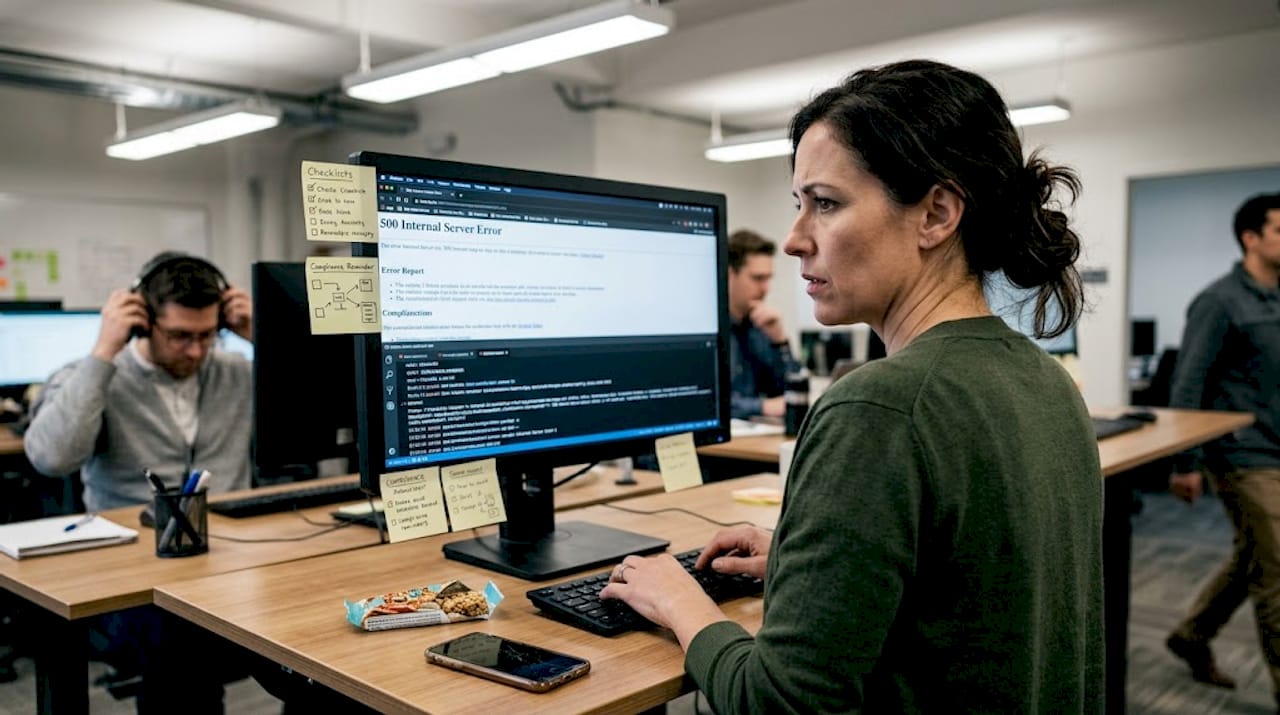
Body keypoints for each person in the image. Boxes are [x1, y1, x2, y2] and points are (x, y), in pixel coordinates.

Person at [600, 59, 1104, 712]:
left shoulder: (877, 408)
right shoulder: (1046, 380)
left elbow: (781, 702)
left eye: (826, 204)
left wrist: (681, 603)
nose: (793, 240)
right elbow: (977, 584)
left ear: (936, 214)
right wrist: (811, 558)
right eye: (797, 204)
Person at [23, 251, 254, 713]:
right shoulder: (91, 377)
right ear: (143, 322)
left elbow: (339, 410)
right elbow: (49, 457)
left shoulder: (237, 371)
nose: (195, 351)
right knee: (182, 653)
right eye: (179, 336)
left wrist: (271, 339)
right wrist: (104, 351)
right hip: (135, 576)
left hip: (233, 561)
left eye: (208, 335)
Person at [1164, 191, 1280, 695]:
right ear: (1250, 238)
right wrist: (1184, 463)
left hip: (1278, 446)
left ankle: (1193, 635)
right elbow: (1188, 385)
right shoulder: (1218, 302)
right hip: (1243, 454)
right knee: (1278, 574)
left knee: (1254, 557)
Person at [727, 228, 801, 420]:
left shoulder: (760, 326)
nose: (766, 288)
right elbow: (708, 401)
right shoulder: (709, 330)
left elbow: (793, 391)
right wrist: (763, 406)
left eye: (768, 278)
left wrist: (780, 341)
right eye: (758, 278)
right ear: (729, 275)